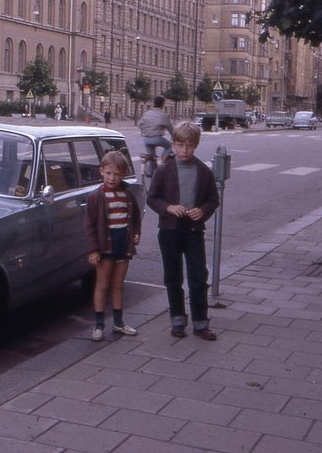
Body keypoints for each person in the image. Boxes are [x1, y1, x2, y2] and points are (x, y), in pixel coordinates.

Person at [146, 121, 220, 341]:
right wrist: (169, 207)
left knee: (198, 276)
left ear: (195, 145)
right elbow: (152, 198)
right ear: (173, 145)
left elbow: (213, 199)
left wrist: (202, 211)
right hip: (170, 230)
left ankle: (201, 323)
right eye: (180, 145)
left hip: (193, 230)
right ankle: (177, 320)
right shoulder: (164, 170)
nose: (184, 150)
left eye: (189, 145)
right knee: (173, 277)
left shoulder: (203, 171)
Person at [84, 150, 142, 341]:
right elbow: (90, 226)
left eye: (117, 174)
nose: (112, 178)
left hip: (123, 246)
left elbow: (135, 217)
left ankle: (118, 322)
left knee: (118, 285)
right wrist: (93, 250)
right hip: (105, 248)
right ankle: (99, 325)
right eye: (108, 173)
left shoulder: (127, 194)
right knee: (102, 285)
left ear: (123, 174)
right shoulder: (96, 197)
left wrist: (136, 234)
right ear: (101, 171)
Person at [138, 95, 174, 162]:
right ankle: (162, 163)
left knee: (151, 158)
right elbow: (171, 129)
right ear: (163, 104)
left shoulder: (147, 113)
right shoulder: (164, 115)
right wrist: (175, 136)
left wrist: (145, 130)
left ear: (153, 103)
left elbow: (139, 125)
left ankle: (150, 167)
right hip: (157, 139)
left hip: (146, 139)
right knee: (168, 147)